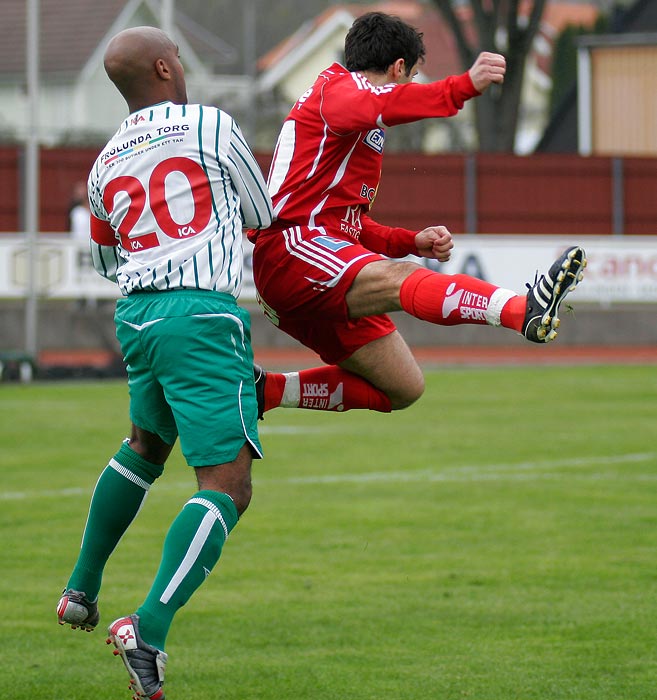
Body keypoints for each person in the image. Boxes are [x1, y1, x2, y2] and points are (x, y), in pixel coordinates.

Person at [56, 26, 273, 700]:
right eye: (177, 55)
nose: (182, 64)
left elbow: (106, 258)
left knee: (144, 446)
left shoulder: (103, 162)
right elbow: (262, 215)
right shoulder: (211, 125)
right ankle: (146, 630)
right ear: (162, 66)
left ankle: (80, 591)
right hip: (200, 315)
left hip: (137, 314)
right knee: (226, 485)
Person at [250, 12, 586, 416]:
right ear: (398, 68)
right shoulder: (340, 89)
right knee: (402, 278)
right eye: (409, 77)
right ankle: (520, 310)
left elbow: (349, 224)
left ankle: (264, 391)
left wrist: (410, 241)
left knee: (402, 386)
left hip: (311, 252)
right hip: (290, 250)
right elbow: (389, 103)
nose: (408, 86)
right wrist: (462, 87)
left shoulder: (345, 115)